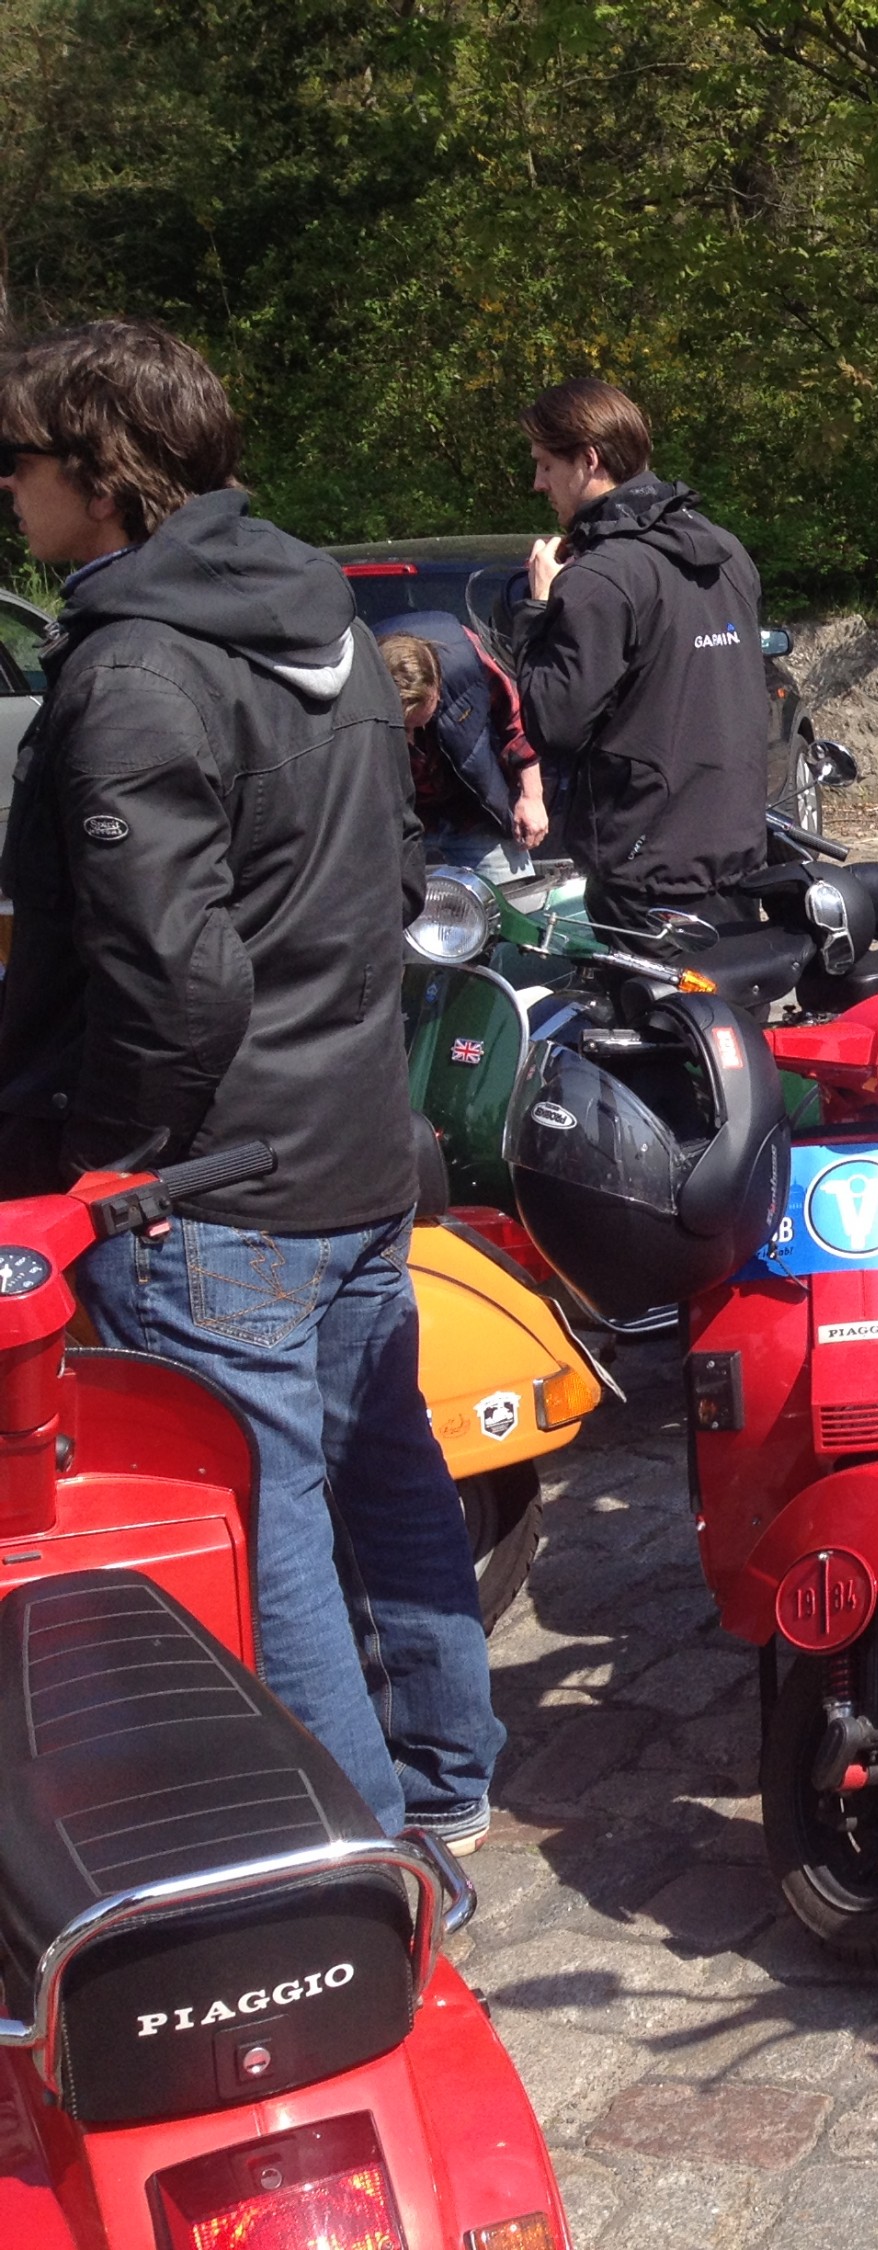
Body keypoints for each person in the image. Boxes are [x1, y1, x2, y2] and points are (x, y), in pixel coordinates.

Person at [0, 318, 501, 1846]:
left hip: (213, 1185)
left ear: (101, 473)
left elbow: (180, 977)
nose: (8, 490)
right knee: (385, 1470)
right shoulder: (323, 616)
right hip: (348, 1137)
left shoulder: (135, 669)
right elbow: (391, 878)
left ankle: (366, 1863)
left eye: (17, 460)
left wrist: (119, 1159)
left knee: (264, 1520)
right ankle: (447, 1790)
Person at [513, 378, 769, 921]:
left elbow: (553, 725)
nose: (538, 483)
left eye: (545, 465)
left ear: (589, 460)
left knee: (652, 987)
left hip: (644, 873)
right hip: (736, 853)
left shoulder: (600, 578)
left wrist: (538, 607)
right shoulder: (727, 553)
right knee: (731, 981)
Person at [380, 617, 548, 879]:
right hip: (397, 825)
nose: (412, 739)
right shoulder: (355, 685)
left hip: (472, 811)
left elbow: (518, 721)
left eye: (420, 722)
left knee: (520, 899)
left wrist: (532, 797)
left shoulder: (468, 664)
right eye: (404, 728)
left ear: (438, 686)